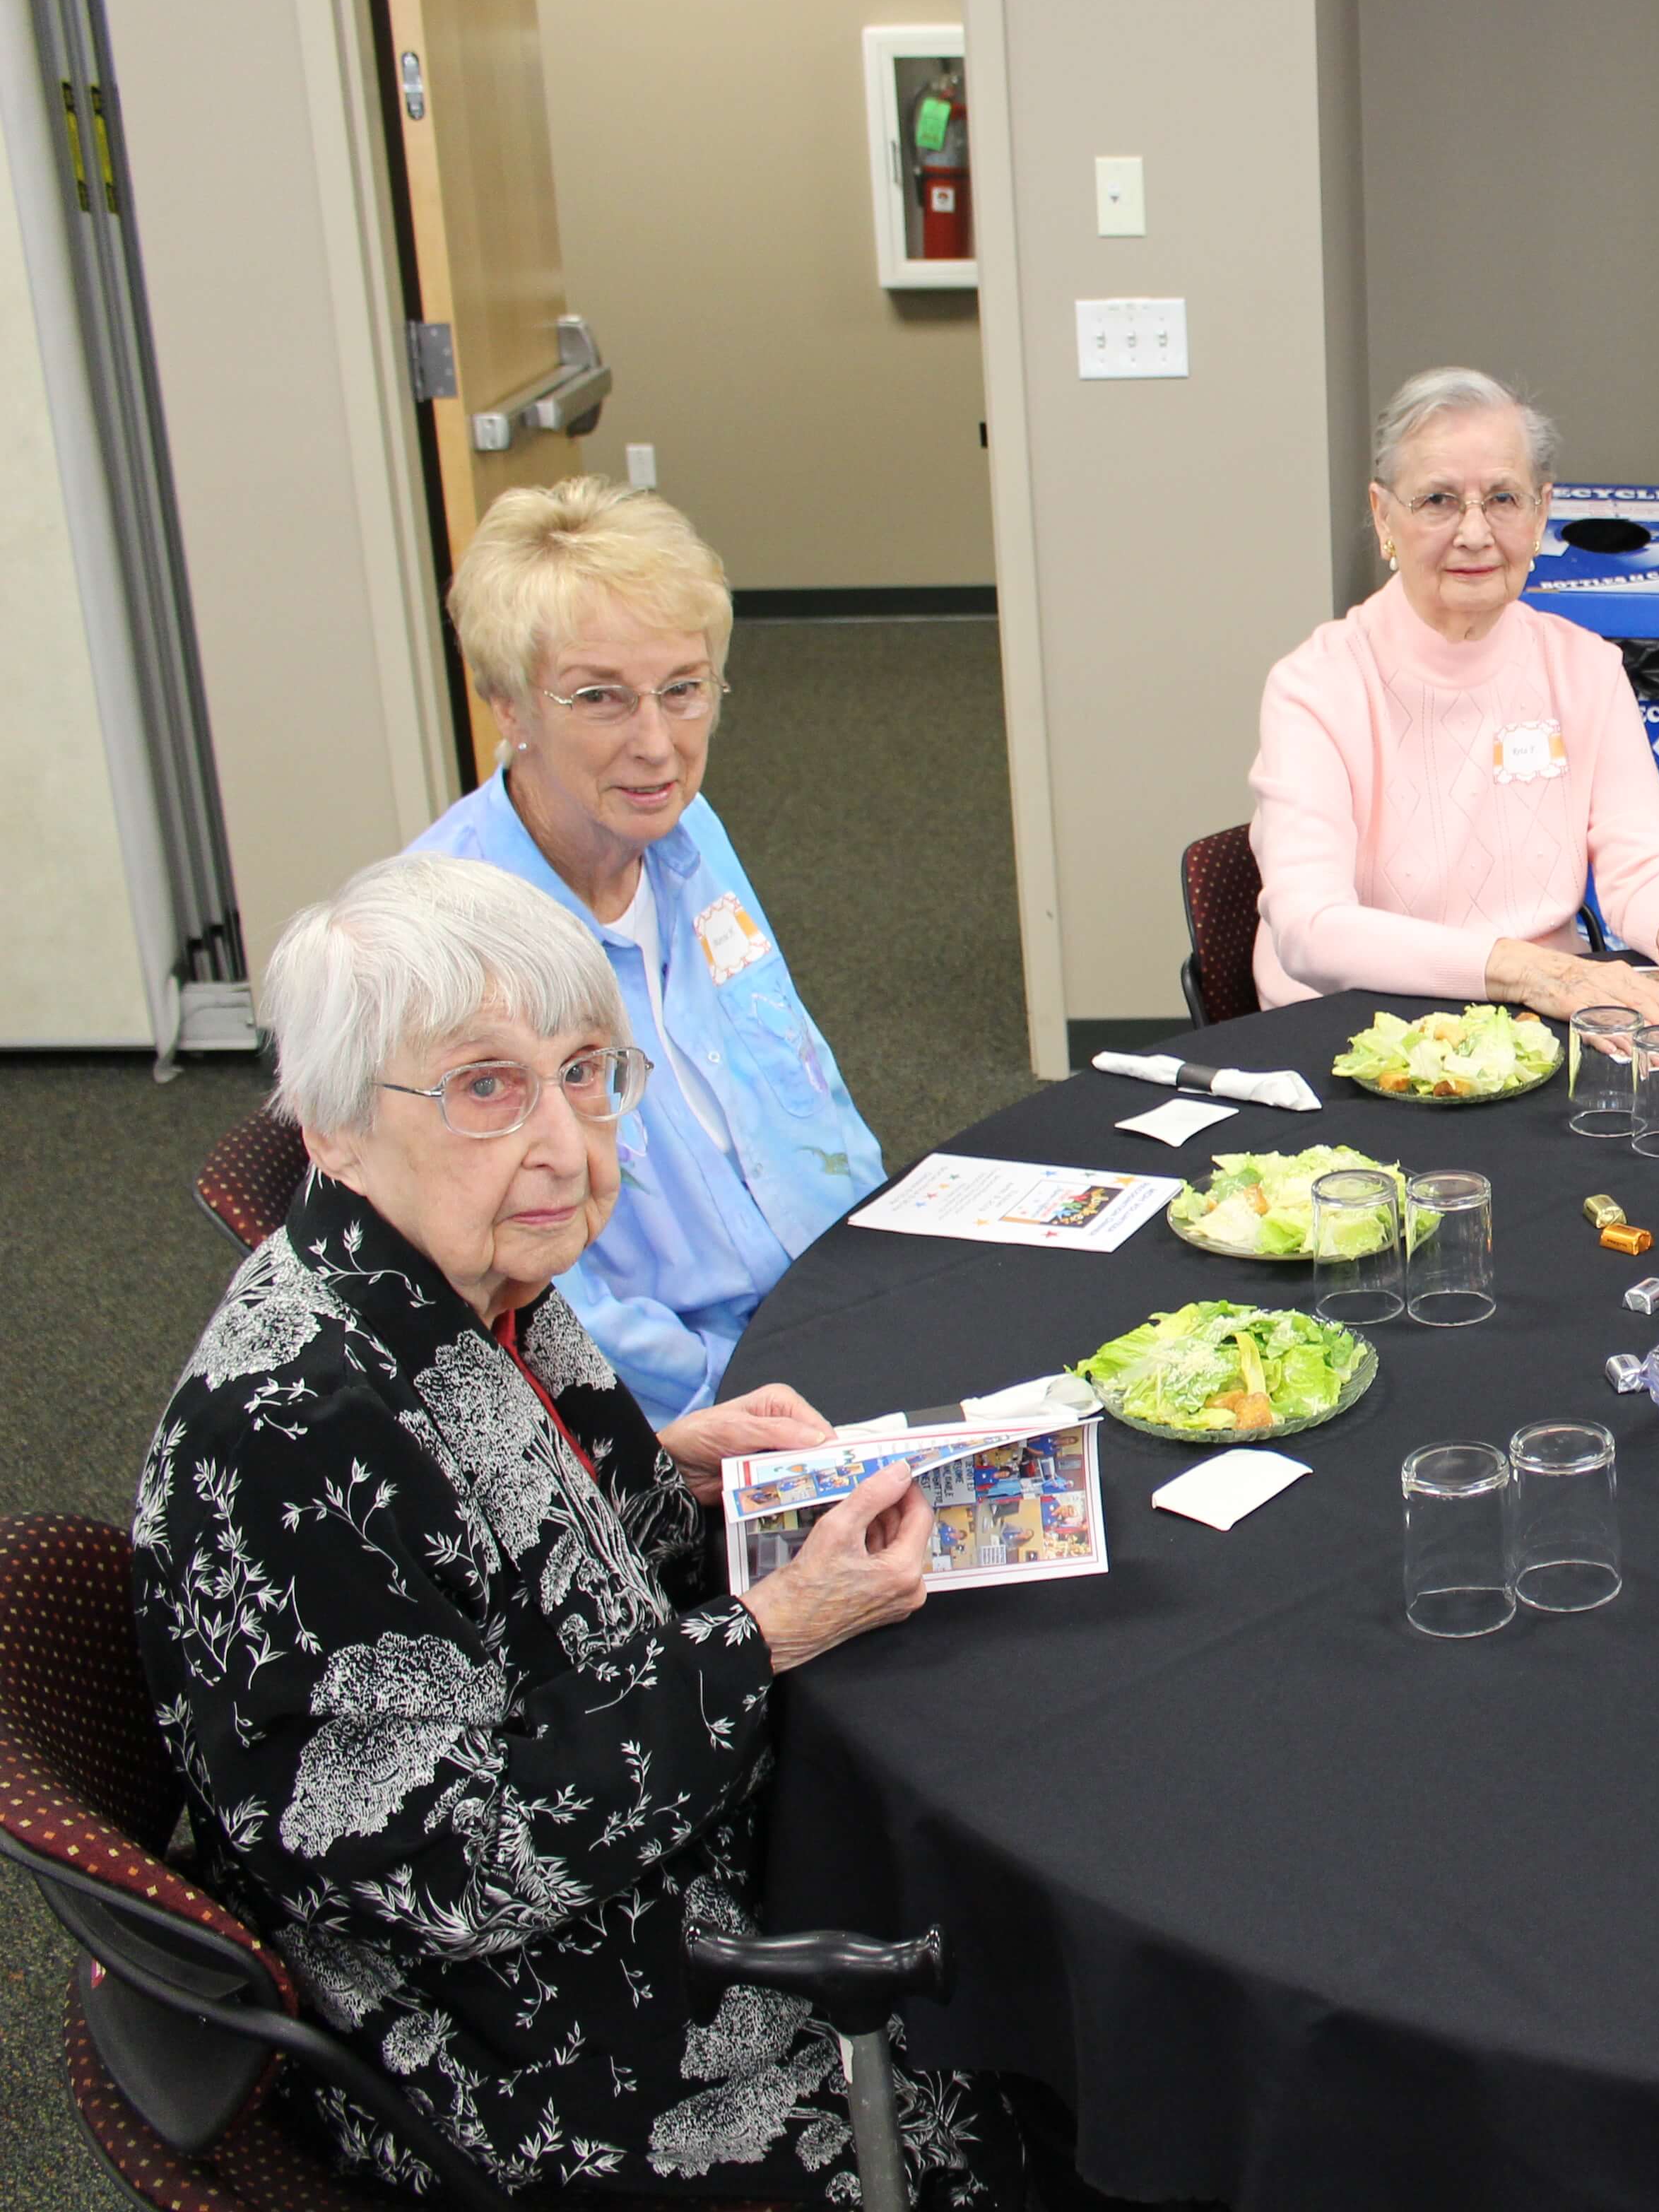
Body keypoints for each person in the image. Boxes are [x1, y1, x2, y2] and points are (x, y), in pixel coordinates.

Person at [129, 854, 1020, 2205]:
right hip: (522, 2033)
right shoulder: (290, 1434)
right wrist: (769, 1631)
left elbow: (503, 1550)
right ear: (328, 1125)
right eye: (486, 1086)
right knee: (1038, 2065)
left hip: (624, 1866)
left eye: (588, 1071)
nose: (565, 1143)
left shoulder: (469, 1270)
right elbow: (460, 1868)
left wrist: (670, 1470)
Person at [412, 478, 880, 1426]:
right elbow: (543, 1300)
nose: (658, 746)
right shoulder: (456, 949)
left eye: (683, 690)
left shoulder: (686, 833)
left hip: (834, 1295)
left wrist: (892, 1270)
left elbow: (799, 1082)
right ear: (509, 705)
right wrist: (746, 1398)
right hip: (693, 1401)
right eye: (601, 699)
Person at [1249, 367, 1659, 1035]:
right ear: (1383, 516)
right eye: (1437, 500)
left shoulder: (1584, 666)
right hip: (1355, 1033)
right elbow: (1311, 930)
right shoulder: (1316, 687)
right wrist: (1537, 971)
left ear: (1541, 512)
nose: (1474, 532)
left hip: (1539, 1026)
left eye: (1503, 499)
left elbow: (1645, 855)